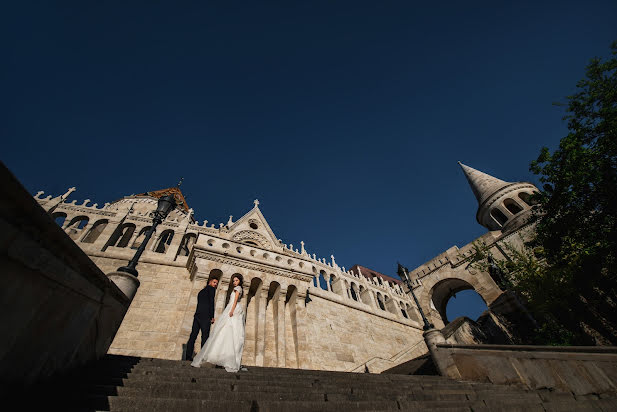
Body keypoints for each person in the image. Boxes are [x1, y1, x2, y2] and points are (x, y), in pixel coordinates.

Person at [191, 274, 246, 372]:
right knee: (224, 332)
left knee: (229, 332)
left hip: (233, 310)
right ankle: (222, 357)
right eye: (233, 281)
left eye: (236, 280)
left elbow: (235, 301)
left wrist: (232, 310)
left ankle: (224, 357)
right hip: (230, 309)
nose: (234, 282)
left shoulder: (238, 288)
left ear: (240, 281)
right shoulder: (236, 288)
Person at [184, 278, 218, 361]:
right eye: (214, 282)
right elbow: (211, 303)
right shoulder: (211, 289)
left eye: (216, 283)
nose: (215, 284)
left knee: (193, 336)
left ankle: (188, 356)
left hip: (197, 315)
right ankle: (202, 357)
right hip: (205, 316)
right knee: (205, 337)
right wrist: (212, 316)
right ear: (209, 282)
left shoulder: (201, 292)